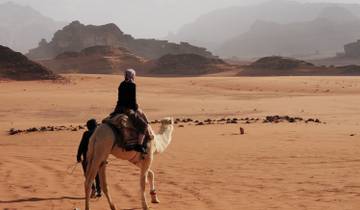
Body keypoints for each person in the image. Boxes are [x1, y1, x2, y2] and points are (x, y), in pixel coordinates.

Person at [111, 69, 149, 154]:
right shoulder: (132, 84)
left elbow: (120, 98)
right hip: (127, 109)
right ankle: (139, 145)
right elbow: (132, 101)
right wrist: (136, 108)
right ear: (132, 76)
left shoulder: (121, 84)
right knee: (144, 125)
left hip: (118, 108)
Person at [76, 119, 101, 198]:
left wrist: (78, 156)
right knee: (97, 174)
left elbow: (82, 145)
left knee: (88, 175)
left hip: (87, 158)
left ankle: (93, 189)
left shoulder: (86, 134)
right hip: (98, 157)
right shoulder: (100, 134)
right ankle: (99, 191)